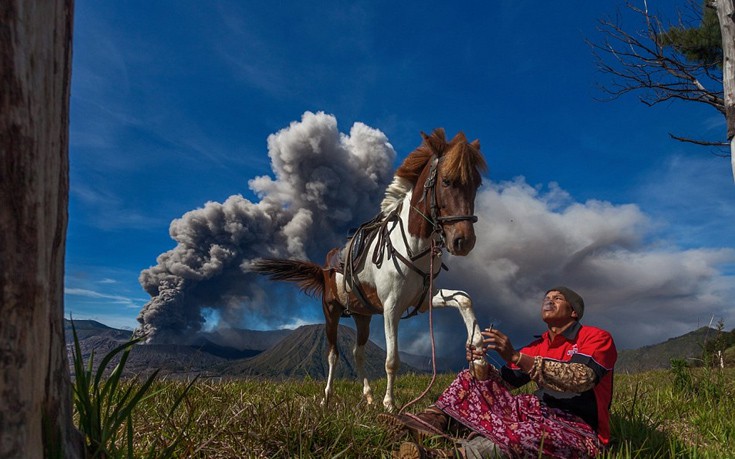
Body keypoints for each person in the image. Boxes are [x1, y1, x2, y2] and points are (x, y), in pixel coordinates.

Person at [381, 286, 617, 459]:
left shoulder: (596, 337)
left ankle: (447, 455)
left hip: (577, 428)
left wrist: (517, 357)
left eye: (557, 298)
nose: (548, 301)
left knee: (526, 435)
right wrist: (479, 364)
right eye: (546, 298)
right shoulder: (538, 345)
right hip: (534, 412)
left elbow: (582, 378)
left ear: (573, 311)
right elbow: (504, 382)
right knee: (470, 379)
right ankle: (428, 423)